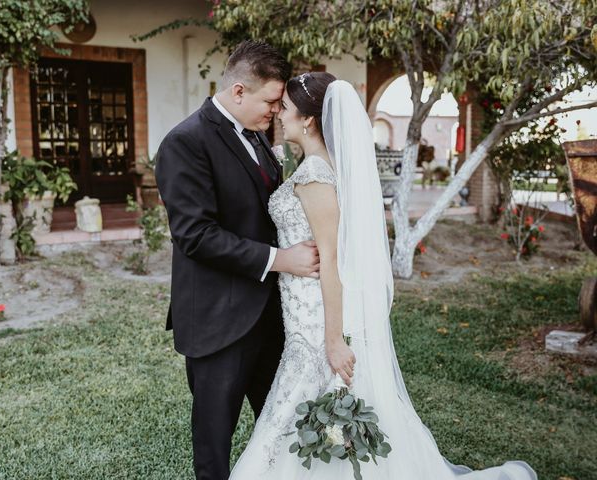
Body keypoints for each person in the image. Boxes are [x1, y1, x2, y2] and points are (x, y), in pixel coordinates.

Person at [229, 72, 538, 480]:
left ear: (308, 121)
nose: (278, 115)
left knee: (303, 408)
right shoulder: (315, 169)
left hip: (317, 319)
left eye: (284, 108)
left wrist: (334, 339)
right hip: (303, 312)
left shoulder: (315, 177)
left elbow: (335, 263)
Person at [155, 41, 320, 480]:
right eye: (270, 101)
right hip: (218, 322)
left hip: (271, 318)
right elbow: (195, 235)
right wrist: (281, 259)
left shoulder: (259, 139)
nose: (275, 111)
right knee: (215, 442)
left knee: (282, 428)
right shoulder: (185, 142)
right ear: (240, 90)